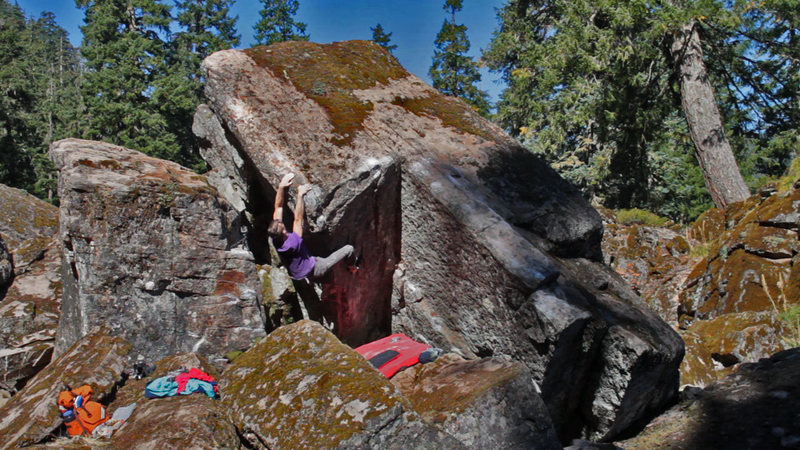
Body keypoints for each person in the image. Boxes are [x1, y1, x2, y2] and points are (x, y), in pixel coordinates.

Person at [267, 173, 355, 280]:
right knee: (349, 249)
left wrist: (281, 187)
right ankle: (352, 266)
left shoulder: (275, 237)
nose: (284, 225)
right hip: (316, 269)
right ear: (284, 232)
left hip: (299, 270)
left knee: (317, 261)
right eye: (283, 227)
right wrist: (300, 195)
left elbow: (278, 207)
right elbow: (298, 220)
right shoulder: (292, 243)